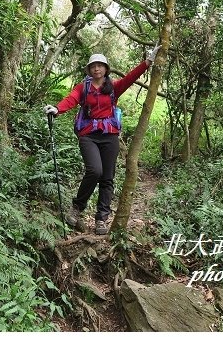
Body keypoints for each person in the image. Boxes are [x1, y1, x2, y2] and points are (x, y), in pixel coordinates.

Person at [44, 46, 160, 235]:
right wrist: (57, 109)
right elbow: (71, 99)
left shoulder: (113, 87)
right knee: (94, 171)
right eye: (93, 66)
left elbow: (131, 78)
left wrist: (148, 62)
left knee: (107, 177)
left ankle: (101, 219)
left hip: (109, 136)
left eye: (100, 65)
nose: (97, 69)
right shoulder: (84, 87)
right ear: (89, 70)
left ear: (106, 68)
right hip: (88, 134)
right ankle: (77, 207)